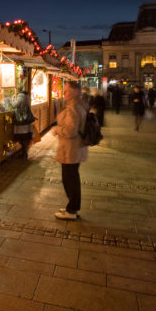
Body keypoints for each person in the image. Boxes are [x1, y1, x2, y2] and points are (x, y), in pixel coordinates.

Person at [54, 82, 88, 220]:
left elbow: (70, 131)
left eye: (67, 91)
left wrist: (57, 130)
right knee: (72, 178)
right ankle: (73, 207)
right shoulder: (79, 104)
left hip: (70, 149)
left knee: (70, 180)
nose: (64, 93)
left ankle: (72, 210)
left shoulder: (73, 107)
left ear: (75, 92)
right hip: (74, 148)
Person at [12, 88, 35, 160]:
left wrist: (12, 99)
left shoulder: (21, 96)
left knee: (22, 138)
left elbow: (14, 105)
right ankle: (25, 153)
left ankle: (24, 154)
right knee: (25, 138)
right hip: (26, 120)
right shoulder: (27, 97)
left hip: (22, 121)